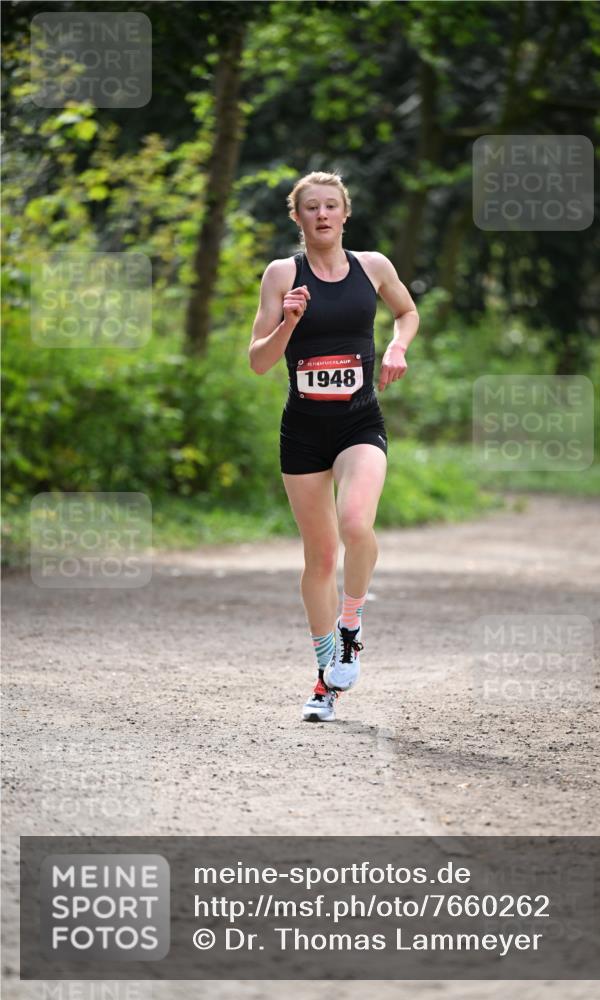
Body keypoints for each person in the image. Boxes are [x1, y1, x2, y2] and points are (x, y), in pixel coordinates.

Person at [248, 171, 419, 721]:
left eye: (330, 206)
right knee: (320, 556)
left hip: (358, 423)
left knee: (355, 525)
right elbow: (258, 360)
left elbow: (407, 311)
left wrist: (396, 347)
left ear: (345, 214)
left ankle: (352, 623)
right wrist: (289, 323)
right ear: (296, 218)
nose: (321, 215)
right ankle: (326, 678)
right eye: (310, 208)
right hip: (302, 431)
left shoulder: (373, 267)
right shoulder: (281, 274)